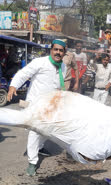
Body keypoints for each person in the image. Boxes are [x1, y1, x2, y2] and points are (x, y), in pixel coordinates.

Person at [7, 39, 66, 176]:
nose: (58, 52)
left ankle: (40, 147)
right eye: (56, 49)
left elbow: (59, 86)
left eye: (61, 50)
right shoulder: (40, 62)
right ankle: (32, 162)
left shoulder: (63, 67)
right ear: (51, 50)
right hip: (36, 105)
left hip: (52, 105)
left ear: (64, 53)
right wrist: (13, 86)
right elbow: (23, 73)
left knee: (48, 130)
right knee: (35, 132)